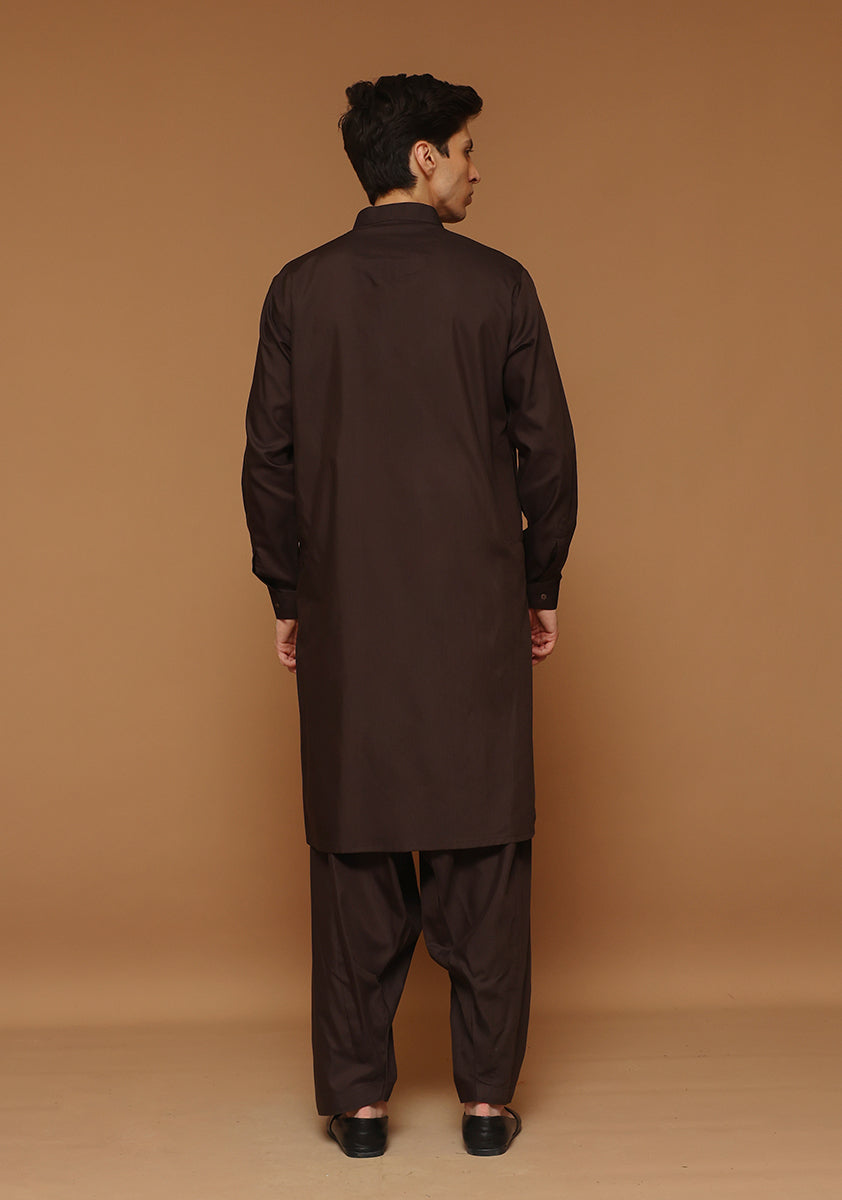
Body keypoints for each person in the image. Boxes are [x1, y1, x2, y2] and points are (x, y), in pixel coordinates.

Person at [241, 72, 577, 1158]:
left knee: (355, 855)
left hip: (348, 616)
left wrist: (289, 592)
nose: (478, 169)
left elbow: (270, 460)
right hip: (473, 612)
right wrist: (538, 582)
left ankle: (360, 1109)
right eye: (467, 149)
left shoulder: (299, 290)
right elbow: (547, 454)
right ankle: (484, 1106)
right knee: (484, 854)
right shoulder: (499, 286)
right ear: (423, 158)